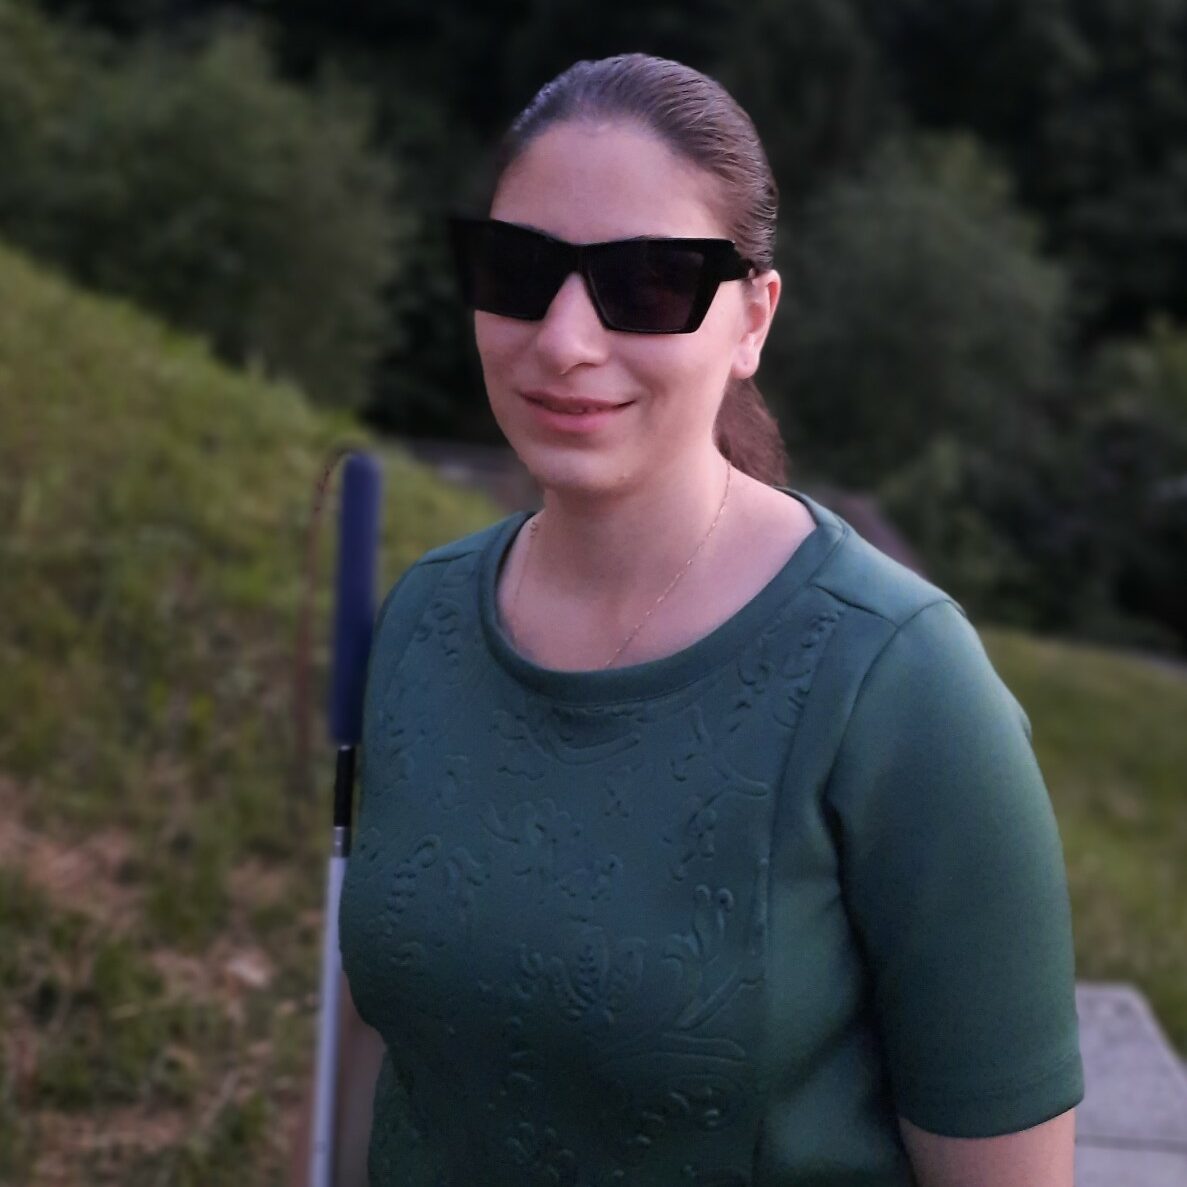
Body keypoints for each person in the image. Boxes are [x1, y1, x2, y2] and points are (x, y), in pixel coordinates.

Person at [328, 53, 1084, 1186]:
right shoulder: (423, 622)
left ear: (751, 320)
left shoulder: (900, 683)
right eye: (520, 268)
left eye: (645, 284)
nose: (566, 338)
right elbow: (378, 1046)